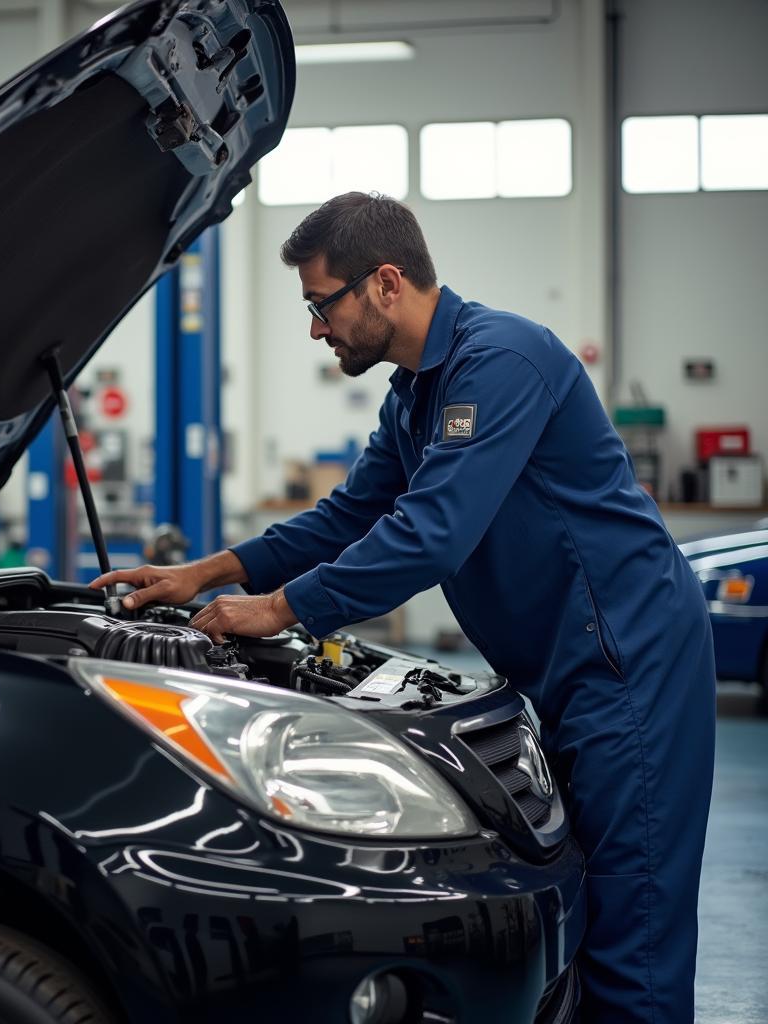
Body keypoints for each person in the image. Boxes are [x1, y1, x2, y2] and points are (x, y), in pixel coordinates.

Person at [91, 192, 716, 1023]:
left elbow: (431, 536)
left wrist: (279, 610)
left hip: (630, 665)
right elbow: (351, 514)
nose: (316, 328)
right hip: (559, 671)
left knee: (632, 939)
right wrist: (206, 573)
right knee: (575, 918)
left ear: (385, 283)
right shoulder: (415, 393)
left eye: (322, 304)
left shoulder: (503, 361)